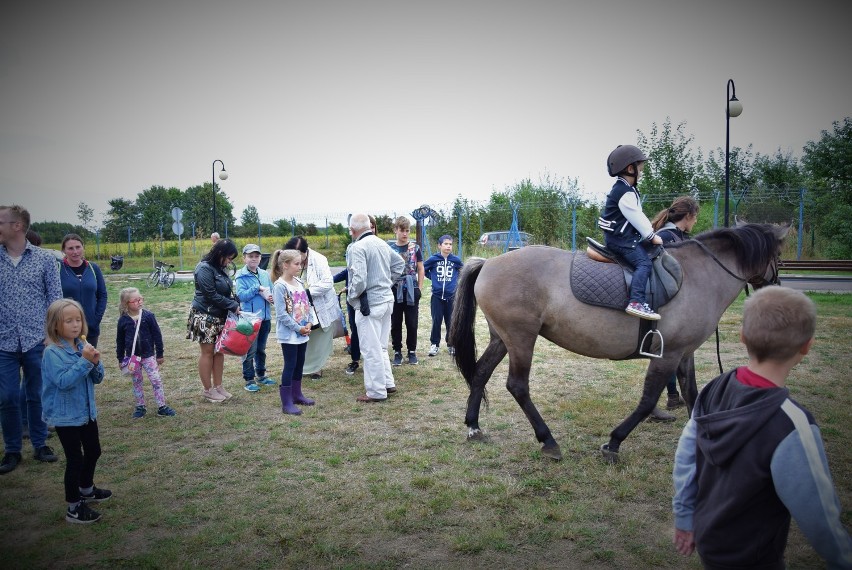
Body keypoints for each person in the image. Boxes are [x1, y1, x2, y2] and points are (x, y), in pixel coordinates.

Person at [672, 287, 852, 568]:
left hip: (710, 541)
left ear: (742, 336)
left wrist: (684, 515)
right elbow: (820, 518)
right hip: (755, 558)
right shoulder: (792, 425)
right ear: (807, 345)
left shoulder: (712, 389)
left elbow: (685, 455)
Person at [0, 204, 62, 474]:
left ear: (17, 226)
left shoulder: (44, 259)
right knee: (8, 397)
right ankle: (12, 449)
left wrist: (52, 335)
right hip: (3, 342)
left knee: (37, 394)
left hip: (37, 340)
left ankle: (40, 444)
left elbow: (56, 300)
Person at [41, 298, 110, 524]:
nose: (75, 325)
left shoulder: (81, 346)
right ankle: (73, 507)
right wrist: (84, 362)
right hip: (66, 417)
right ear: (55, 325)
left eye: (78, 319)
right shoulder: (53, 353)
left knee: (94, 451)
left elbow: (98, 379)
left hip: (87, 412)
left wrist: (95, 362)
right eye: (68, 321)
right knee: (75, 459)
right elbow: (63, 382)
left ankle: (87, 489)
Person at [648, 196, 701, 421]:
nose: (696, 222)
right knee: (668, 353)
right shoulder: (667, 237)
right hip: (663, 302)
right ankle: (656, 403)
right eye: (695, 217)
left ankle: (671, 397)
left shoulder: (677, 235)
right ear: (688, 216)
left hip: (670, 303)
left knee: (672, 353)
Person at [597, 144, 664, 320]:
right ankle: (636, 302)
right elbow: (636, 216)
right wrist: (652, 236)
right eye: (640, 169)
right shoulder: (624, 192)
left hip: (620, 238)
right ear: (630, 169)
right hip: (621, 241)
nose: (641, 173)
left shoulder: (625, 188)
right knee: (644, 264)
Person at [348, 213, 404, 402]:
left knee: (371, 350)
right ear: (369, 227)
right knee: (380, 347)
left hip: (369, 305)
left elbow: (360, 279)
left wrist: (352, 296)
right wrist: (386, 284)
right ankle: (388, 383)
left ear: (353, 230)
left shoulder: (358, 247)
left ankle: (376, 391)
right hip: (386, 301)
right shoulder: (382, 243)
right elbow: (400, 264)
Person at [186, 239, 240, 403]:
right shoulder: (204, 268)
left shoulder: (220, 268)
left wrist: (233, 301)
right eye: (229, 258)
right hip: (204, 315)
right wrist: (232, 305)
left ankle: (219, 386)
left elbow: (224, 291)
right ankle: (208, 390)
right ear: (219, 254)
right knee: (208, 353)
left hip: (220, 315)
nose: (230, 262)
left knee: (219, 351)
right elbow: (210, 294)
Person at [116, 288, 176, 419]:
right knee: (137, 381)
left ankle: (162, 406)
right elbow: (119, 341)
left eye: (140, 299)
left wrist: (159, 354)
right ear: (126, 304)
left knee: (156, 380)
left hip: (148, 355)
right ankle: (140, 406)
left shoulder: (148, 316)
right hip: (133, 358)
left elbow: (157, 335)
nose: (139, 302)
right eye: (135, 300)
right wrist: (120, 358)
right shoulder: (123, 321)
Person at [284, 236, 338, 380]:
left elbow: (328, 283)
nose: (296, 259)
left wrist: (306, 292)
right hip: (301, 307)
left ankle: (317, 368)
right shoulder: (289, 261)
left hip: (320, 305)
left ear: (305, 252)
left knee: (319, 338)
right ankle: (304, 366)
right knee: (305, 335)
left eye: (298, 255)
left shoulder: (319, 260)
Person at [270, 249, 315, 415]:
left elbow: (307, 304)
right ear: (285, 265)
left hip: (303, 332)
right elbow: (281, 314)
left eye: (300, 262)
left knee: (300, 363)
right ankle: (286, 401)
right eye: (296, 263)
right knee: (290, 364)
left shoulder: (299, 282)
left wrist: (309, 322)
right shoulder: (280, 286)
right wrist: (298, 328)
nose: (300, 266)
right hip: (290, 335)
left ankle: (297, 394)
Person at [333, 215, 378, 376]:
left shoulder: (377, 246)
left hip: (371, 297)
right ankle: (355, 360)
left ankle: (373, 363)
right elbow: (350, 272)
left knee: (372, 331)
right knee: (355, 328)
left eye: (373, 227)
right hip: (354, 297)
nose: (371, 229)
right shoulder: (352, 247)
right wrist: (337, 282)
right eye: (369, 226)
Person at [234, 243, 276, 392]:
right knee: (249, 350)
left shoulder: (264, 274)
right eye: (250, 256)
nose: (254, 259)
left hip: (264, 318)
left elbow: (272, 290)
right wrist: (256, 289)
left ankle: (261, 374)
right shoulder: (241, 275)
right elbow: (241, 296)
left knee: (261, 349)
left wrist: (272, 298)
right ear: (244, 258)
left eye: (256, 256)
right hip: (250, 319)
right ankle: (249, 379)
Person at [59, 233, 108, 348]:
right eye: (70, 248)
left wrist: (96, 319)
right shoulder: (58, 269)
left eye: (78, 247)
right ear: (64, 250)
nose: (75, 252)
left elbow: (102, 295)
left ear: (83, 247)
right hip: (66, 327)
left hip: (90, 327)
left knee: (89, 362)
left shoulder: (93, 268)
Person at [388, 216, 424, 365]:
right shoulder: (389, 248)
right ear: (396, 230)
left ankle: (412, 352)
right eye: (402, 230)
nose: (405, 233)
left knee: (412, 322)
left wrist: (419, 289)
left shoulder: (415, 248)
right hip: (394, 289)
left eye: (407, 231)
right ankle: (397, 352)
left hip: (411, 289)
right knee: (395, 323)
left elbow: (421, 268)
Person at [423, 234, 463, 357]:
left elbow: (463, 271)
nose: (448, 246)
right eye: (445, 244)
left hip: (451, 296)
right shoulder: (433, 259)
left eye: (450, 244)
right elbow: (422, 269)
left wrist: (455, 281)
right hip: (437, 296)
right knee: (436, 321)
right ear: (439, 245)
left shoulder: (455, 260)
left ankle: (451, 344)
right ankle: (434, 344)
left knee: (451, 321)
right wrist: (433, 278)